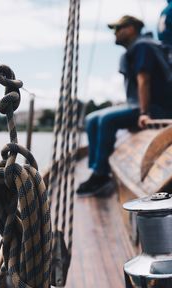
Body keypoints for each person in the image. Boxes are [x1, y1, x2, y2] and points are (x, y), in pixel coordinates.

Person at [76, 15, 172, 197]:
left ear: (131, 29)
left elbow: (144, 80)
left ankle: (101, 174)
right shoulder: (137, 48)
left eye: (118, 28)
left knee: (106, 120)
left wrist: (144, 113)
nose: (115, 33)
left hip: (154, 108)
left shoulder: (143, 46)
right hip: (138, 104)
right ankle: (96, 168)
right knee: (92, 118)